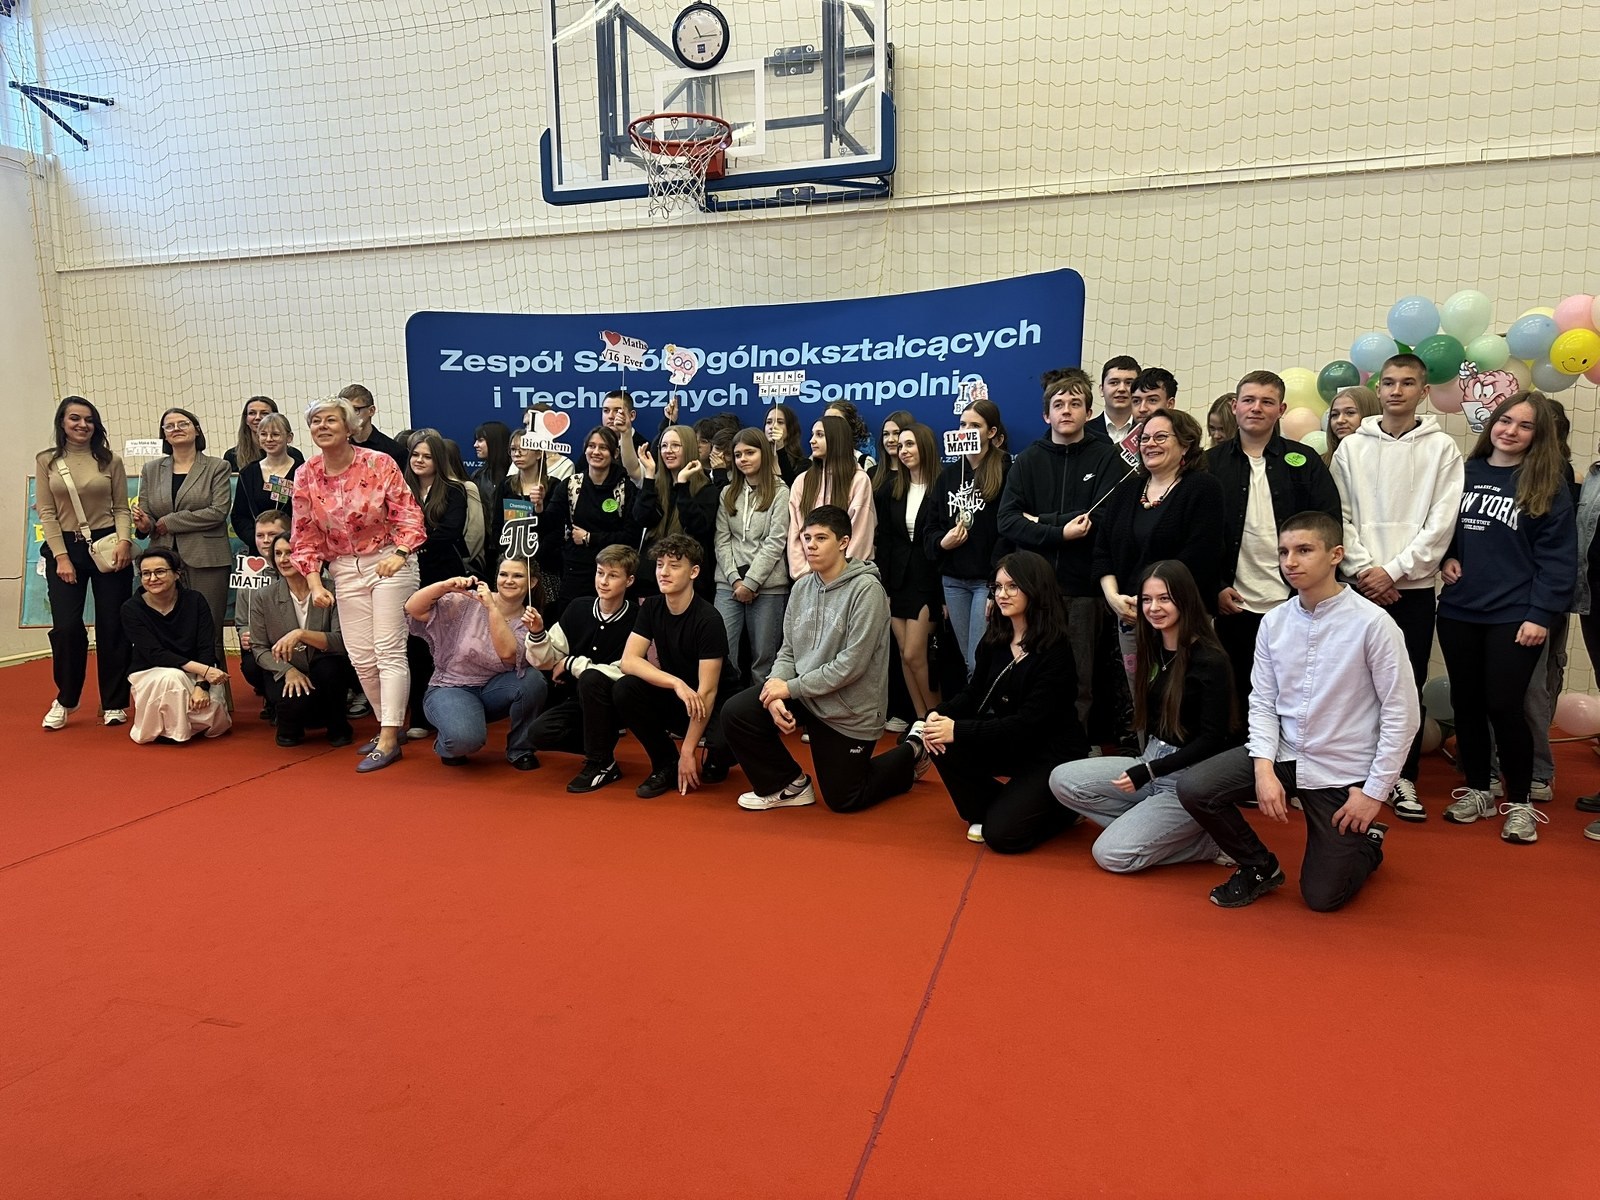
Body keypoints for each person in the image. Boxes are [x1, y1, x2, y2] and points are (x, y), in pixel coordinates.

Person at [1177, 511, 1417, 911]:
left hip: (1342, 766)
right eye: (1284, 552)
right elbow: (1262, 701)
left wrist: (1373, 793)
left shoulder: (1374, 625)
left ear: (1336, 555)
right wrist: (1263, 769)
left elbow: (1402, 714)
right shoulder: (1274, 622)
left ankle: (1368, 844)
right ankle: (1259, 866)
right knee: (1195, 788)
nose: (1290, 562)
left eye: (1304, 550)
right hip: (1285, 753)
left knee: (1323, 898)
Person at [1437, 392, 1576, 843]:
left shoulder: (1546, 481)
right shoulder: (1463, 472)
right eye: (1505, 420)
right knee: (1467, 704)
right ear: (1492, 423)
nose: (1511, 431)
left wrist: (1540, 614)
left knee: (1504, 706)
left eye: (1525, 425)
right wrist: (1446, 558)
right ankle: (1479, 789)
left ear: (1539, 435)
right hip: (1459, 610)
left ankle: (1520, 803)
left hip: (1515, 615)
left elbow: (1558, 558)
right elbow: (1440, 529)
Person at [1331, 352, 1464, 821]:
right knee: (1352, 685)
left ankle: (1401, 777)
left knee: (1405, 686)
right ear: (1379, 388)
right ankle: (1350, 775)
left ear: (1423, 392)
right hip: (1360, 586)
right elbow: (1340, 517)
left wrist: (1397, 571)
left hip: (1413, 587)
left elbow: (1442, 521)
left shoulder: (1442, 448)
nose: (1396, 390)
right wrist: (1367, 571)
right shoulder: (1352, 448)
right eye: (1388, 382)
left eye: (1407, 383)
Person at [724, 505, 920, 813]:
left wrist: (789, 688)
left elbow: (852, 665)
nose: (811, 546)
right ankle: (788, 785)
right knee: (737, 712)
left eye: (821, 538)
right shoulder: (802, 586)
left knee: (844, 799)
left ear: (843, 542)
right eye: (807, 538)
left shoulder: (867, 590)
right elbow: (789, 650)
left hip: (847, 707)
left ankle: (913, 750)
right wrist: (775, 687)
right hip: (807, 694)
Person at [1050, 561, 1237, 871]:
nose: (1153, 608)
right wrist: (1149, 768)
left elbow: (1214, 740)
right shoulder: (1153, 647)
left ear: (1185, 600)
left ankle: (1207, 842)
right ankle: (1149, 828)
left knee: (1111, 855)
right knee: (1061, 780)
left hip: (1187, 781)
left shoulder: (1211, 660)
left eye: (1164, 599)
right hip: (1151, 761)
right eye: (1147, 599)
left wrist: (1150, 770)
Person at [290, 395, 425, 773]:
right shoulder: (305, 474)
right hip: (343, 569)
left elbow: (409, 515)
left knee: (388, 650)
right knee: (361, 657)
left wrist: (401, 553)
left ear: (350, 427)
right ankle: (388, 726)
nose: (322, 426)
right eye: (316, 421)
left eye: (330, 420)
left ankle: (389, 737)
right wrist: (315, 582)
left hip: (388, 561)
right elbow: (303, 534)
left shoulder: (379, 463)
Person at [923, 550, 1086, 851]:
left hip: (1050, 752)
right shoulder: (995, 639)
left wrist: (957, 729)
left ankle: (1064, 809)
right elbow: (973, 694)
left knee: (1001, 836)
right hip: (1012, 741)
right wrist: (936, 715)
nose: (1001, 594)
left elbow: (1029, 723)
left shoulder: (1056, 651)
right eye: (997, 587)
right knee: (939, 740)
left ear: (1034, 589)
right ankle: (993, 809)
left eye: (1012, 586)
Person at [997, 370, 1128, 729]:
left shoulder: (1106, 458)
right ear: (1046, 415)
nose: (1066, 410)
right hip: (1032, 591)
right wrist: (1060, 531)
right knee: (1028, 673)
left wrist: (1039, 521)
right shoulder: (1028, 460)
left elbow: (1103, 517)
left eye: (1075, 403)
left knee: (1080, 679)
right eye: (1058, 404)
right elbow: (1006, 521)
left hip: (1083, 590)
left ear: (1089, 412)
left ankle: (1073, 747)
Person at [1207, 370, 1342, 708]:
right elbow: (1198, 535)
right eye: (1249, 400)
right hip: (1232, 603)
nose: (1256, 408)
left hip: (1294, 602)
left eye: (1267, 402)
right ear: (1235, 407)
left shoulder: (1305, 461)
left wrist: (1313, 590)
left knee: (1295, 695)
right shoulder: (1209, 464)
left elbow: (1328, 525)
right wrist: (1215, 587)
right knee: (1236, 696)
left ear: (1281, 410)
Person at [586, 534, 735, 797]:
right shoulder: (652, 606)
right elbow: (629, 661)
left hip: (716, 702)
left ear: (694, 572)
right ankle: (665, 762)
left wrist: (688, 750)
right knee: (625, 688)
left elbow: (708, 692)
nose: (663, 572)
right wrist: (675, 683)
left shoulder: (708, 619)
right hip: (679, 694)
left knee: (723, 748)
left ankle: (714, 755)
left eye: (674, 566)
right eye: (659, 565)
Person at [1094, 409, 1225, 683]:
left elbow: (1202, 556)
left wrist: (1152, 600)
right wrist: (1114, 598)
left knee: (1182, 697)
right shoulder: (1126, 491)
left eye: (1161, 437)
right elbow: (1102, 551)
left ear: (1185, 444)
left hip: (1183, 617)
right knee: (1140, 696)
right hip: (1130, 616)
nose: (1150, 444)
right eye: (1144, 438)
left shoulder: (1203, 488)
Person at [36, 396, 136, 730]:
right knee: (66, 628)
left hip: (108, 546)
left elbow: (121, 507)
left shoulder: (110, 460)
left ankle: (114, 702)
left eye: (89, 419)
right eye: (75, 419)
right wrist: (62, 557)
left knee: (113, 625)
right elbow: (47, 512)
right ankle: (67, 699)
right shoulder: (47, 461)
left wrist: (124, 541)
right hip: (65, 549)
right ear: (62, 423)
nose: (82, 425)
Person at [403, 559, 547, 769]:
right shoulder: (468, 601)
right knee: (464, 741)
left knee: (533, 680)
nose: (509, 581)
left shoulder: (529, 619)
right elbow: (413, 608)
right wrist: (444, 586)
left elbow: (508, 653)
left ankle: (520, 749)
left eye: (517, 576)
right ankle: (449, 742)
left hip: (494, 690)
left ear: (532, 582)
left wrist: (492, 608)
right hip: (451, 687)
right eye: (503, 574)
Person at [133, 408, 234, 684]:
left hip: (207, 559)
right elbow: (147, 515)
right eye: (169, 426)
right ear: (164, 435)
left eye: (183, 423)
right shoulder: (151, 469)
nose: (176, 429)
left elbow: (218, 511)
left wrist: (170, 521)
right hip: (161, 556)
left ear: (196, 430)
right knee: (164, 628)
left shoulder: (217, 466)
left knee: (208, 629)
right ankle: (171, 690)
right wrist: (144, 523)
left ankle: (213, 692)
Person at [526, 545, 640, 780]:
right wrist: (537, 632)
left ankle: (600, 762)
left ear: (629, 581)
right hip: (580, 701)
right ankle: (601, 748)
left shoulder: (637, 617)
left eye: (613, 575)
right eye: (600, 573)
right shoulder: (578, 607)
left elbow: (628, 669)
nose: (603, 581)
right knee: (539, 733)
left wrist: (571, 664)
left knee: (591, 678)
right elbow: (546, 660)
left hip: (619, 704)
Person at [927, 398, 1012, 677]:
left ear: (991, 432)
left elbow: (1008, 531)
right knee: (968, 661)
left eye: (975, 426)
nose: (966, 431)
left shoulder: (1005, 470)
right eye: (962, 425)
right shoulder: (948, 476)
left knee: (979, 662)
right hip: (953, 581)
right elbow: (931, 528)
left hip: (986, 581)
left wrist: (996, 586)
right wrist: (943, 542)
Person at [249, 532, 354, 747]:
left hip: (325, 662)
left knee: (330, 670)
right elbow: (258, 648)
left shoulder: (332, 589)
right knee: (291, 719)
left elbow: (341, 641)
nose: (283, 559)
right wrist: (287, 671)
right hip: (284, 666)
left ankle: (338, 726)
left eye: (290, 553)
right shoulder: (262, 596)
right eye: (278, 554)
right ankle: (288, 725)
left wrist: (300, 634)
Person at [120, 547, 234, 744]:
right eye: (146, 573)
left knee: (214, 716)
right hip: (151, 671)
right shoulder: (131, 608)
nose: (152, 578)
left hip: (196, 672)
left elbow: (206, 646)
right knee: (172, 678)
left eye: (160, 571)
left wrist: (202, 684)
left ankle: (181, 724)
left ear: (177, 574)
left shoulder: (195, 600)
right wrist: (205, 670)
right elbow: (155, 653)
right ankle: (174, 732)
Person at [874, 422, 943, 718]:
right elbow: (886, 542)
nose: (903, 450)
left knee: (916, 653)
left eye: (910, 444)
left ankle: (936, 717)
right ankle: (921, 720)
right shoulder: (892, 489)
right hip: (897, 582)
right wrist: (885, 588)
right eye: (901, 445)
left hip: (928, 583)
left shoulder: (942, 486)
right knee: (904, 655)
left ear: (925, 446)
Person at [713, 429, 791, 684]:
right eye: (738, 455)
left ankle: (760, 708)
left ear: (764, 454)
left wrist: (751, 582)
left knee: (764, 661)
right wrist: (736, 580)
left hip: (768, 587)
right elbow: (722, 540)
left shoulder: (781, 492)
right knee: (722, 656)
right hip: (728, 585)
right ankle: (725, 706)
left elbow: (776, 541)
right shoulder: (727, 492)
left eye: (750, 452)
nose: (743, 459)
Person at [546, 426, 642, 605]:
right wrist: (537, 506)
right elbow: (549, 523)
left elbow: (631, 536)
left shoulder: (626, 489)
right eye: (591, 446)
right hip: (576, 571)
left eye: (603, 447)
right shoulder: (570, 485)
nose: (596, 452)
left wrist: (590, 538)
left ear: (615, 453)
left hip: (614, 571)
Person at [635, 424, 719, 597]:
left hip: (689, 584)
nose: (668, 451)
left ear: (688, 448)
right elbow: (643, 518)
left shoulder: (707, 490)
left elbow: (696, 526)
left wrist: (682, 485)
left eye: (675, 445)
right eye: (664, 446)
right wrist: (649, 475)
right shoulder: (656, 486)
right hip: (651, 582)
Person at [787, 415, 875, 577]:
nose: (812, 441)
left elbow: (860, 535)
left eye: (820, 435)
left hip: (848, 578)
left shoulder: (858, 480)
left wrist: (839, 574)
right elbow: (795, 533)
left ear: (837, 439)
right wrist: (804, 574)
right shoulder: (802, 481)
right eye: (813, 434)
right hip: (807, 579)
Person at [493, 429, 566, 608]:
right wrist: (510, 556)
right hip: (510, 563)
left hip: (543, 567)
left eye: (523, 448)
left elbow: (555, 531)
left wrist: (539, 508)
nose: (517, 453)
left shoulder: (554, 486)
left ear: (539, 453)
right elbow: (497, 526)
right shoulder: (506, 485)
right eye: (513, 449)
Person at [235, 508, 292, 720]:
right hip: (263, 646)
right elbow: (242, 620)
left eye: (272, 535)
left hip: (297, 644)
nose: (266, 541)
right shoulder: (248, 572)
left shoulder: (305, 570)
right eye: (260, 535)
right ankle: (271, 697)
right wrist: (244, 632)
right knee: (250, 666)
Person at [229, 413, 301, 546]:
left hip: (295, 546)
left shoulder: (303, 471)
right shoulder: (248, 473)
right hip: (259, 548)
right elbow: (239, 515)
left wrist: (288, 541)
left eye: (275, 434)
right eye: (263, 434)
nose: (269, 439)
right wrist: (259, 540)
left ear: (289, 437)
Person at [223, 396, 304, 476]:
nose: (257, 417)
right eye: (252, 413)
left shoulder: (294, 455)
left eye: (264, 413)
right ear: (246, 419)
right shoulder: (232, 456)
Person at [338, 383, 407, 469]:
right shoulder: (337, 449)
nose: (349, 415)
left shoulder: (395, 451)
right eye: (344, 411)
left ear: (371, 411)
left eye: (355, 409)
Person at [1086, 355, 1141, 446]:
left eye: (1129, 383)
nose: (1121, 389)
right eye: (1114, 382)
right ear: (1101, 390)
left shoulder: (1147, 430)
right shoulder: (1085, 431)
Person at [1323, 386, 1380, 466]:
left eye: (1350, 413)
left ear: (1369, 414)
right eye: (1335, 414)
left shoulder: (1384, 457)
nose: (1340, 420)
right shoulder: (1320, 463)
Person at [471, 420, 514, 513]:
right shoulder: (477, 476)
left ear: (494, 442)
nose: (475, 445)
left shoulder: (516, 474)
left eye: (480, 440)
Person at [823, 400, 875, 471]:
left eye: (837, 421)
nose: (830, 425)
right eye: (826, 421)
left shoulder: (864, 462)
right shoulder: (815, 459)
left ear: (849, 425)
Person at [764, 404, 807, 484]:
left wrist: (780, 447)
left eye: (780, 422)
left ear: (790, 428)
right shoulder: (758, 459)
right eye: (769, 422)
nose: (773, 426)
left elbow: (792, 486)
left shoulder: (803, 464)